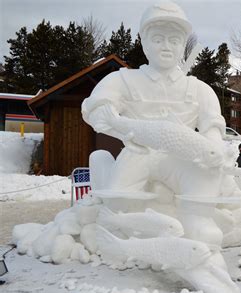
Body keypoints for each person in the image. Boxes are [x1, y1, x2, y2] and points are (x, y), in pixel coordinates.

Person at [82, 2, 226, 247]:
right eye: (158, 39)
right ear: (144, 42)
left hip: (180, 157)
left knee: (205, 174)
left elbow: (212, 127)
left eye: (174, 40)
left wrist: (213, 150)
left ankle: (198, 222)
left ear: (183, 45)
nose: (167, 46)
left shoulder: (199, 89)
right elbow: (95, 111)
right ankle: (106, 174)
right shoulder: (123, 80)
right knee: (118, 203)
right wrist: (121, 127)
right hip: (138, 152)